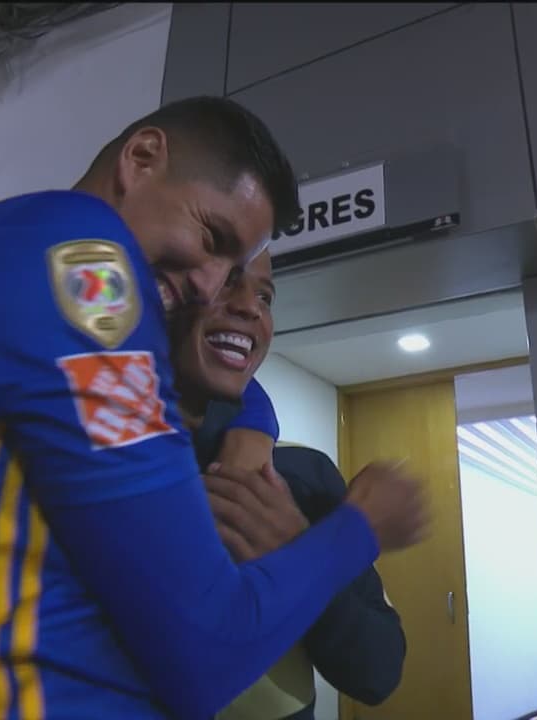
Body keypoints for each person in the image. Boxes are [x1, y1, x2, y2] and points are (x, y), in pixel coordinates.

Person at [0, 96, 430, 719]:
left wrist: (258, 434)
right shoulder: (82, 261)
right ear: (141, 158)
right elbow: (205, 653)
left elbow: (378, 668)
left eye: (253, 286)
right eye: (213, 241)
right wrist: (360, 526)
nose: (208, 286)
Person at [172, 251, 406, 719]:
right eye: (226, 281)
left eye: (266, 296)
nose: (250, 307)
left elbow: (378, 669)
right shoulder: (86, 461)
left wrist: (297, 552)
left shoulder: (301, 474)